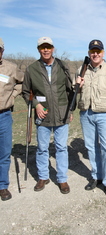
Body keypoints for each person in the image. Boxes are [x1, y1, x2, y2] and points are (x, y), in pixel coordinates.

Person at [22, 37, 74, 194]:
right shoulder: (32, 69)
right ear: (38, 50)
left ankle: (62, 178)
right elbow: (25, 92)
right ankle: (43, 176)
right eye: (42, 47)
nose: (45, 50)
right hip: (42, 115)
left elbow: (70, 90)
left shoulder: (62, 66)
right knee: (42, 148)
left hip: (62, 114)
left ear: (53, 48)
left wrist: (69, 111)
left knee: (61, 147)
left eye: (48, 47)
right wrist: (36, 104)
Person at [76, 39, 106, 198]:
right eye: (92, 51)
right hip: (86, 114)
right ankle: (96, 176)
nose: (95, 54)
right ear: (89, 52)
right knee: (91, 147)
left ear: (103, 52)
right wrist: (77, 84)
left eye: (98, 51)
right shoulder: (81, 70)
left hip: (105, 115)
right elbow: (75, 91)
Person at [0, 38, 23, 201]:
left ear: (2, 50)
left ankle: (2, 186)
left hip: (4, 116)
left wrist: (13, 95)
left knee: (4, 153)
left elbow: (23, 82)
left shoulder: (11, 68)